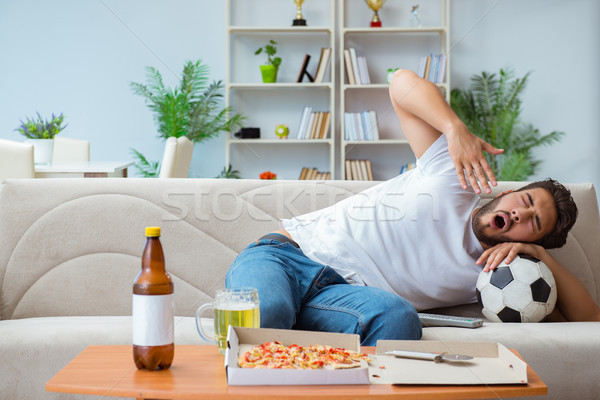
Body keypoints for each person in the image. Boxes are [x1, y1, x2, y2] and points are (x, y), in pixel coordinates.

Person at [225, 69, 600, 345]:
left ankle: (285, 332)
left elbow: (589, 321)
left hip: (340, 299)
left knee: (399, 318)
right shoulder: (453, 179)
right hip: (287, 258)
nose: (522, 214)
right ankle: (276, 321)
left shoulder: (497, 279)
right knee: (268, 312)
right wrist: (454, 129)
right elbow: (400, 82)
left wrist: (541, 257)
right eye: (527, 201)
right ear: (508, 193)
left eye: (533, 224)